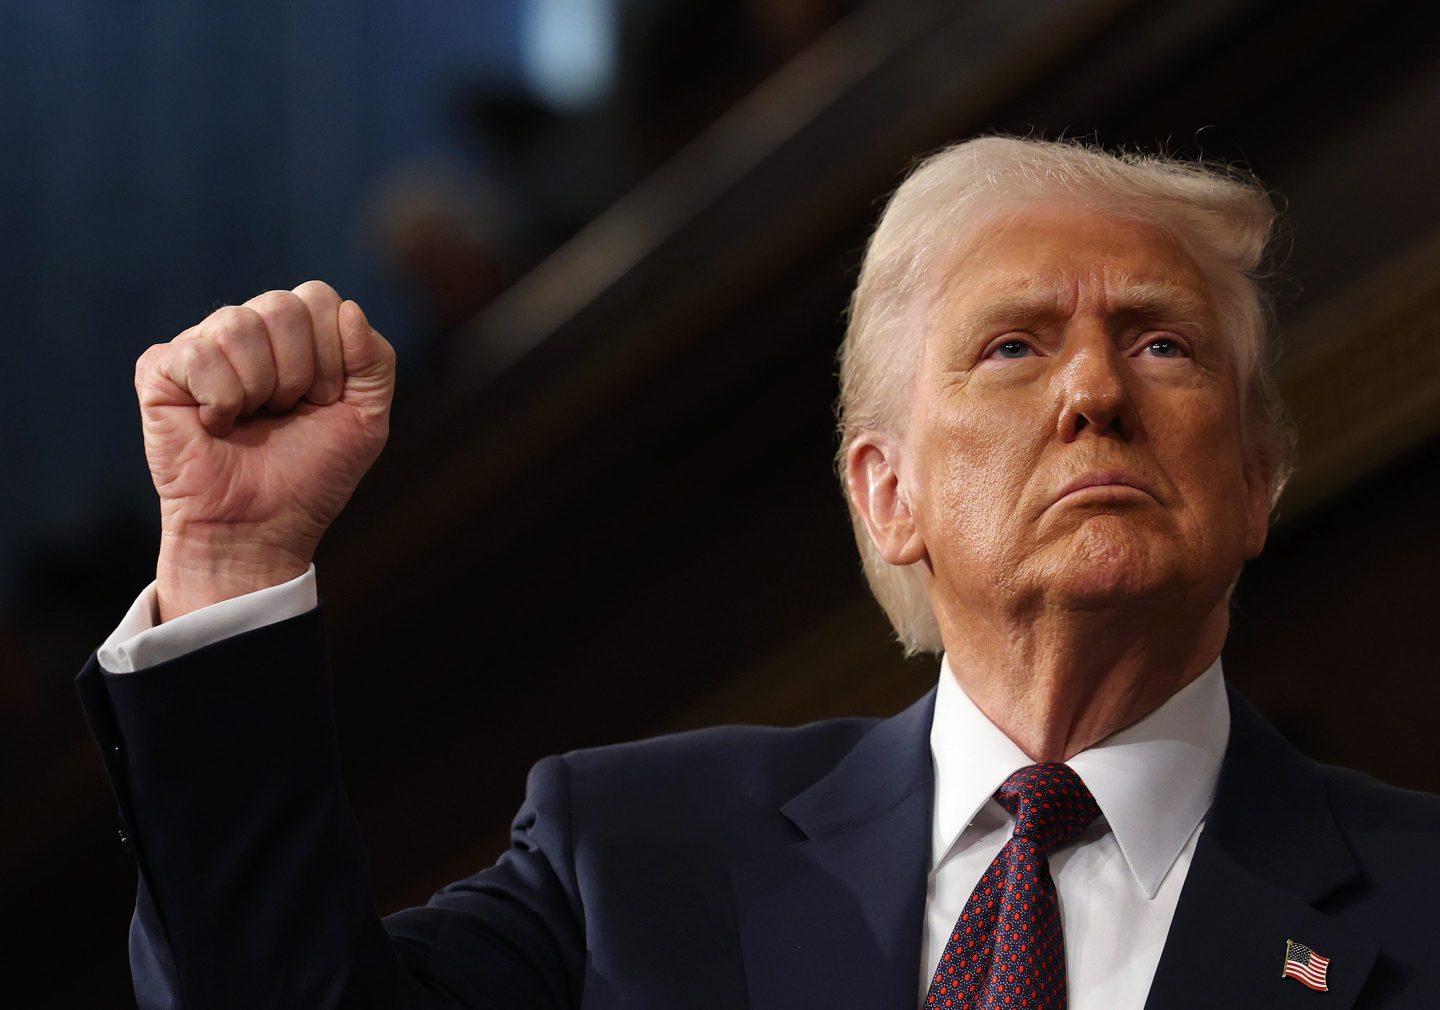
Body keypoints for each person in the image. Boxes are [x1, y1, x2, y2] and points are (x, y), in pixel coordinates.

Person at [79, 136, 1440, 1009]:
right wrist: (235, 561)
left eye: (1162, 345)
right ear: (886, 490)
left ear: (1257, 481)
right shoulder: (630, 858)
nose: (1093, 386)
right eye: (1014, 347)